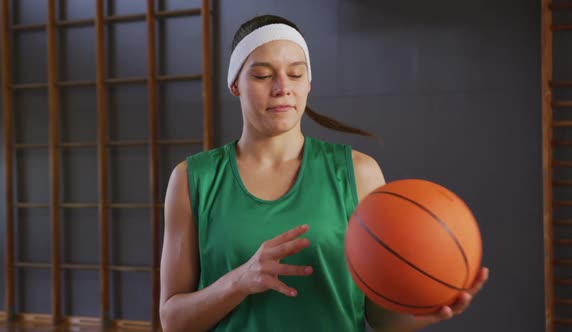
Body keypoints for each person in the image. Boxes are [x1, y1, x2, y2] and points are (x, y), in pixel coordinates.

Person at [159, 14, 489, 332]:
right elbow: (173, 320)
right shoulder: (193, 179)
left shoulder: (358, 173)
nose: (281, 87)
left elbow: (379, 316)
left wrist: (432, 311)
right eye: (262, 75)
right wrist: (239, 281)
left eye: (296, 74)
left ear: (309, 83)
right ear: (235, 85)